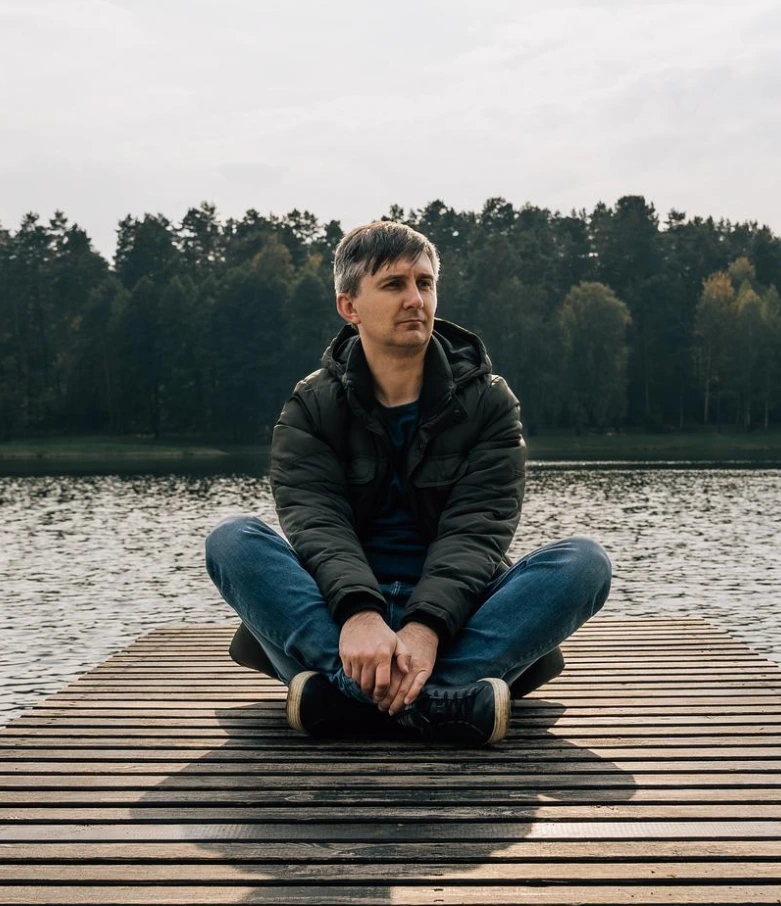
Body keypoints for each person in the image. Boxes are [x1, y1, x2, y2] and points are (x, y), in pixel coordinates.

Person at [206, 220, 611, 746]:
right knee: (232, 540)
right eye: (394, 285)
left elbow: (477, 532)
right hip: (341, 613)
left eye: (425, 283)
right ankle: (444, 699)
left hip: (457, 613)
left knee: (584, 562)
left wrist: (425, 628)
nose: (415, 298)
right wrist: (360, 614)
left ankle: (346, 700)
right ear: (349, 307)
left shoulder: (489, 402)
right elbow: (317, 525)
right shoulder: (310, 405)